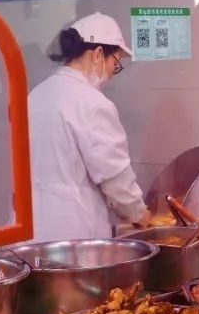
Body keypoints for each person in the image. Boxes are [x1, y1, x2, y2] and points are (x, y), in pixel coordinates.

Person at [28, 13, 150, 242]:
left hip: (31, 232)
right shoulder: (93, 104)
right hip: (74, 235)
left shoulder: (36, 95)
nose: (112, 72)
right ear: (98, 54)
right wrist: (139, 213)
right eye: (115, 62)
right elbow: (115, 178)